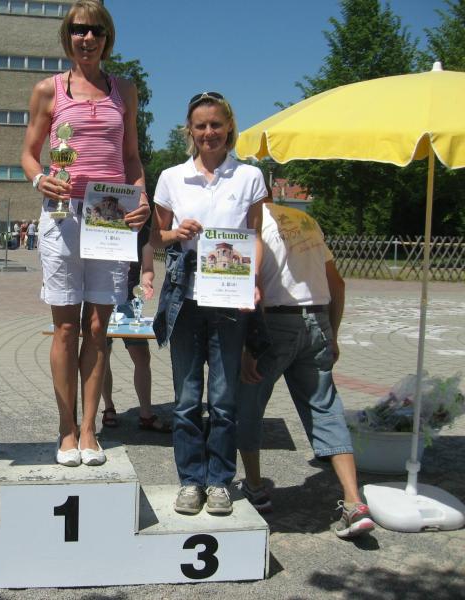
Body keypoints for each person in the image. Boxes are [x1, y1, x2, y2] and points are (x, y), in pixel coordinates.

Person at [21, 0, 150, 467]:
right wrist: (40, 178)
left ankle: (91, 428)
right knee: (65, 326)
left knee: (98, 327)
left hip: (109, 215)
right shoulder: (48, 91)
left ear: (107, 37)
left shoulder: (125, 91)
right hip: (62, 215)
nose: (87, 38)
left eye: (96, 30)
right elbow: (29, 154)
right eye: (78, 30)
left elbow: (131, 156)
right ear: (67, 36)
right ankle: (66, 429)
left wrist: (142, 197)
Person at [151, 92, 267, 515]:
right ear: (190, 130)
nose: (208, 133)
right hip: (184, 296)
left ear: (229, 127)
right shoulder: (171, 177)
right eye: (200, 126)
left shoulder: (250, 176)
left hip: (229, 298)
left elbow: (257, 238)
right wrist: (175, 233)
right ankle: (190, 481)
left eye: (216, 124)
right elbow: (154, 237)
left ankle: (219, 481)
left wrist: (254, 282)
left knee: (222, 399)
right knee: (185, 400)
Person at [236, 200, 375, 539]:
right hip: (317, 320)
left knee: (248, 403)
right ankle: (353, 500)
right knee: (325, 408)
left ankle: (255, 487)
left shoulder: (252, 222)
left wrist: (248, 347)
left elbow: (252, 286)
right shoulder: (305, 219)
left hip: (274, 321)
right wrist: (333, 334)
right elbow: (337, 284)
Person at [101, 227, 171, 433]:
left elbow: (147, 266)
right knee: (101, 355)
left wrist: (147, 280)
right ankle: (108, 407)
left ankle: (146, 413)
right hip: (99, 297)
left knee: (141, 356)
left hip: (129, 301)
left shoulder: (141, 232)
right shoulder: (99, 225)